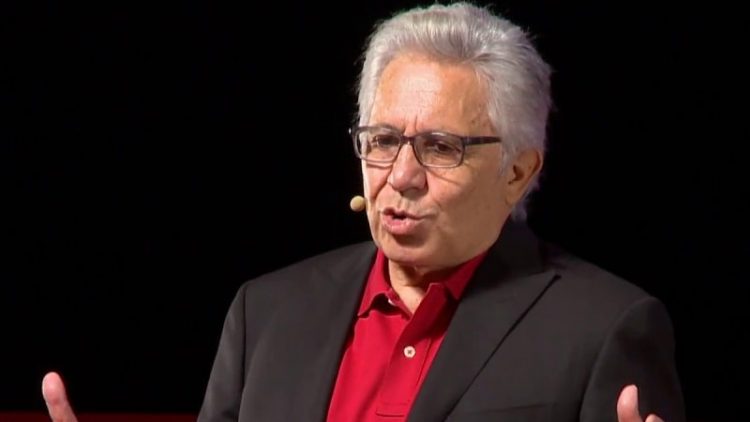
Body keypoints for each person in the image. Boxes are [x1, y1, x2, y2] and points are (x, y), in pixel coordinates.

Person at [41, 2, 685, 421]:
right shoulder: (265, 313)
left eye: (440, 147)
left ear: (516, 172)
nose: (400, 177)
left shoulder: (605, 328)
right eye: (382, 141)